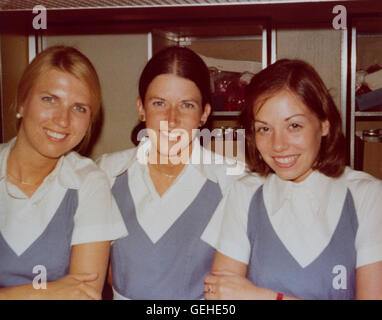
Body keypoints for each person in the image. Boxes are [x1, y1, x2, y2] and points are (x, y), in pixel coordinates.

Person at [204, 59, 382, 300]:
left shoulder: (367, 196)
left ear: (324, 124)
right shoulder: (245, 193)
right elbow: (221, 296)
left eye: (294, 125)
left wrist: (265, 297)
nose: (278, 145)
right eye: (264, 129)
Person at [97, 46, 243, 300]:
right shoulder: (105, 173)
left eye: (186, 105)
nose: (171, 119)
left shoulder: (234, 182)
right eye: (159, 103)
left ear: (204, 113)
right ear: (141, 108)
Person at [0, 46, 127, 299]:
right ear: (22, 103)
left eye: (79, 108)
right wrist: (45, 293)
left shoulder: (89, 182)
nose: (62, 120)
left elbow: (85, 294)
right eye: (50, 99)